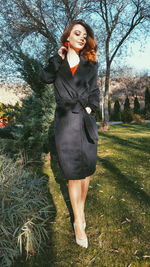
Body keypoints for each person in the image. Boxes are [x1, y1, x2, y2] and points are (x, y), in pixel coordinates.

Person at [41, 19, 99, 248]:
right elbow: (44, 79)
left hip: (85, 121)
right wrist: (58, 58)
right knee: (74, 173)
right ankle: (78, 221)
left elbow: (95, 91)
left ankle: (81, 212)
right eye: (78, 33)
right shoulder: (58, 61)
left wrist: (89, 108)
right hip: (66, 122)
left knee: (85, 172)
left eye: (85, 34)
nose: (82, 37)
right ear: (68, 37)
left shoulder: (91, 64)